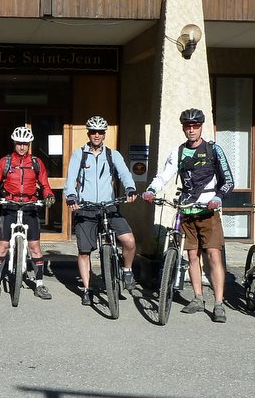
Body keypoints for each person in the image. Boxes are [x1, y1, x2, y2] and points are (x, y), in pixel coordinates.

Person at [142, 108, 234, 323]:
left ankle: (219, 304)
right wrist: (151, 190)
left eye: (195, 126)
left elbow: (229, 181)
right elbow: (164, 174)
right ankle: (198, 298)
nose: (191, 130)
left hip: (208, 211)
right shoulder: (179, 152)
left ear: (201, 127)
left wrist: (219, 197)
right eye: (188, 126)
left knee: (213, 256)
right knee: (192, 256)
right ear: (183, 128)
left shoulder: (214, 150)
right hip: (186, 211)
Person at [64, 116, 138, 306]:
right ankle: (88, 289)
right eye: (93, 131)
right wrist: (71, 197)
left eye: (100, 132)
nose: (96, 135)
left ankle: (127, 270)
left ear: (104, 134)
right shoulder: (79, 154)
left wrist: (130, 188)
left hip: (109, 206)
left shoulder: (113, 155)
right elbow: (70, 179)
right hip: (86, 207)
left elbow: (124, 174)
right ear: (88, 133)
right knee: (84, 251)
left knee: (129, 241)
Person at [0, 126, 57, 300]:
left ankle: (39, 284)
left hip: (30, 207)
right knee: (2, 246)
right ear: (14, 143)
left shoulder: (36, 162)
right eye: (19, 143)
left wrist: (48, 196)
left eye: (25, 144)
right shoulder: (6, 161)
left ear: (29, 144)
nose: (22, 147)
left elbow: (45, 185)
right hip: (10, 206)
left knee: (35, 247)